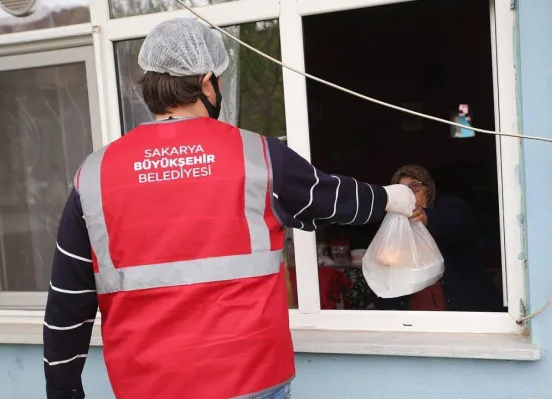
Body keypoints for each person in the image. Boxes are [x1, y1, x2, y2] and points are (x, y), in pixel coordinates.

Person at [42, 18, 417, 399]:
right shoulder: (258, 157)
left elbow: (67, 305)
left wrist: (63, 392)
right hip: (251, 381)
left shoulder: (94, 176)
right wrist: (391, 198)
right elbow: (330, 198)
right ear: (206, 83)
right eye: (219, 81)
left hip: (149, 387)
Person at [373, 165, 501, 312]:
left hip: (463, 311)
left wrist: (427, 219)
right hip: (417, 318)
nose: (408, 195)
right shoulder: (395, 226)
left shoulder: (451, 207)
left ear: (428, 189)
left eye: (414, 187)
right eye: (401, 191)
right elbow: (387, 291)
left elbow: (456, 226)